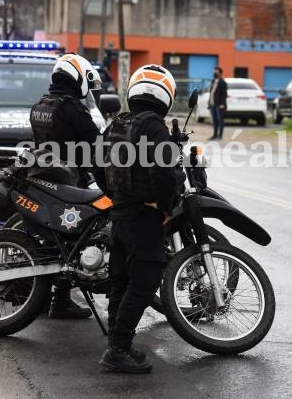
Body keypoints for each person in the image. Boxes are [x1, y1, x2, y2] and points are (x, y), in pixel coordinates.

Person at [97, 64, 182, 374]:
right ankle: (118, 349)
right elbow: (163, 174)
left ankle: (116, 345)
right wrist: (164, 206)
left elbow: (99, 169)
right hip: (143, 216)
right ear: (166, 95)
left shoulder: (116, 124)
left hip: (120, 215)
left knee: (120, 280)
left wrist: (118, 195)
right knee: (145, 280)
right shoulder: (154, 126)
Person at [29, 53, 102, 319]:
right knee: (76, 239)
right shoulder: (71, 107)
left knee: (58, 239)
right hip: (69, 179)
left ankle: (49, 296)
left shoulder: (41, 104)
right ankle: (60, 301)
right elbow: (95, 142)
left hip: (47, 177)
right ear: (77, 77)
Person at [208, 66, 227, 140]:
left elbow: (224, 94)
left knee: (220, 120)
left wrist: (222, 104)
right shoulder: (213, 81)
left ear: (220, 73)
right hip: (212, 104)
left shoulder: (223, 82)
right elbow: (211, 93)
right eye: (214, 71)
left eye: (216, 71)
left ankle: (220, 135)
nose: (214, 72)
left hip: (219, 105)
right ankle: (214, 135)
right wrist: (209, 103)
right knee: (214, 120)